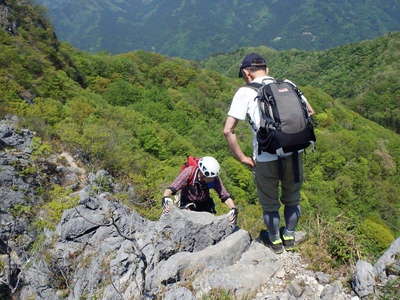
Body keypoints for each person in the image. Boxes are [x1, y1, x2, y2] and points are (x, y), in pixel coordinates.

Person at [223, 53, 315, 253]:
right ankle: (289, 236)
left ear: (247, 73)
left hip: (265, 157)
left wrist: (242, 157)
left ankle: (275, 242)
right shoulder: (289, 84)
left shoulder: (245, 92)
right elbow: (310, 112)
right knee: (293, 199)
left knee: (270, 204)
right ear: (267, 70)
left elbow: (228, 130)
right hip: (294, 151)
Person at [162, 156, 238, 224]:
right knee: (188, 223)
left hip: (204, 202)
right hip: (188, 201)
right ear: (203, 174)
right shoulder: (189, 172)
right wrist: (166, 198)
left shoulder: (214, 178)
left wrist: (233, 209)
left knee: (209, 224)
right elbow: (172, 188)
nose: (213, 179)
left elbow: (225, 195)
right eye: (211, 177)